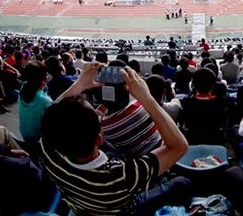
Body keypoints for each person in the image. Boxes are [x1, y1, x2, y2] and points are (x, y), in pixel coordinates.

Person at [41, 64, 191, 216]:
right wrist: (147, 97)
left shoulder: (49, 154)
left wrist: (80, 84)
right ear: (99, 139)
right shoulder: (122, 175)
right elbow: (179, 146)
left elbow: (50, 115)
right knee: (182, 182)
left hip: (84, 207)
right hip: (128, 209)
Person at [179, 68, 226, 144]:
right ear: (213, 85)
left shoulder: (186, 102)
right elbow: (223, 121)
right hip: (214, 141)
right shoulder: (220, 103)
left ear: (193, 84)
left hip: (192, 140)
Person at [18, 61, 52, 144]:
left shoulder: (23, 86)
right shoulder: (46, 101)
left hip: (23, 133)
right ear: (43, 80)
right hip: (37, 140)